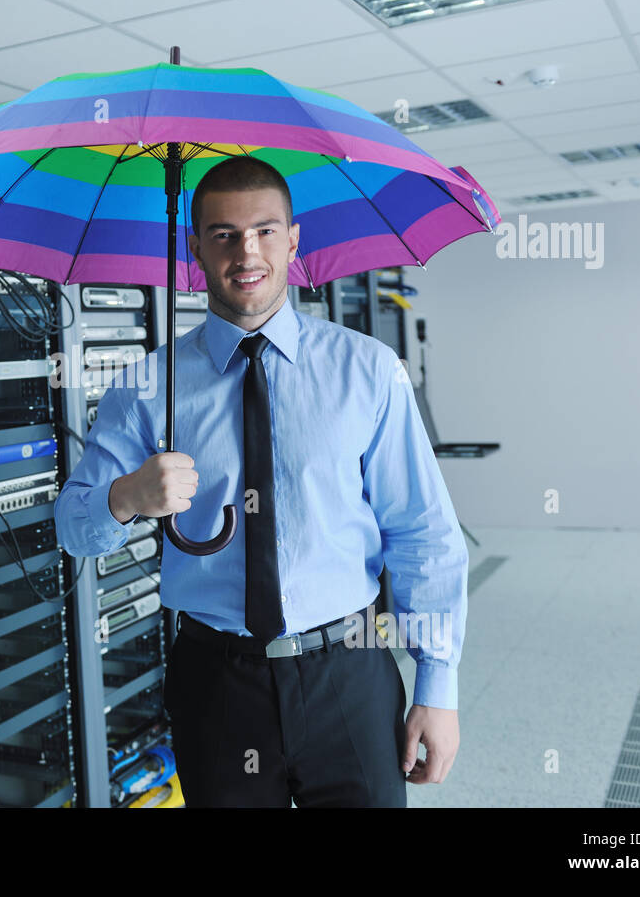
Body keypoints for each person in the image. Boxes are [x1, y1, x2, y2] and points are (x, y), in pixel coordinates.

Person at [54, 155, 469, 807]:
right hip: (215, 682)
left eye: (265, 230)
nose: (246, 251)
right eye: (223, 234)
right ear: (194, 248)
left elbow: (421, 530)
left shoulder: (367, 371)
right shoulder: (145, 388)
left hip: (348, 673)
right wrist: (127, 496)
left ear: (293, 240)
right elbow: (75, 531)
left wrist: (437, 688)